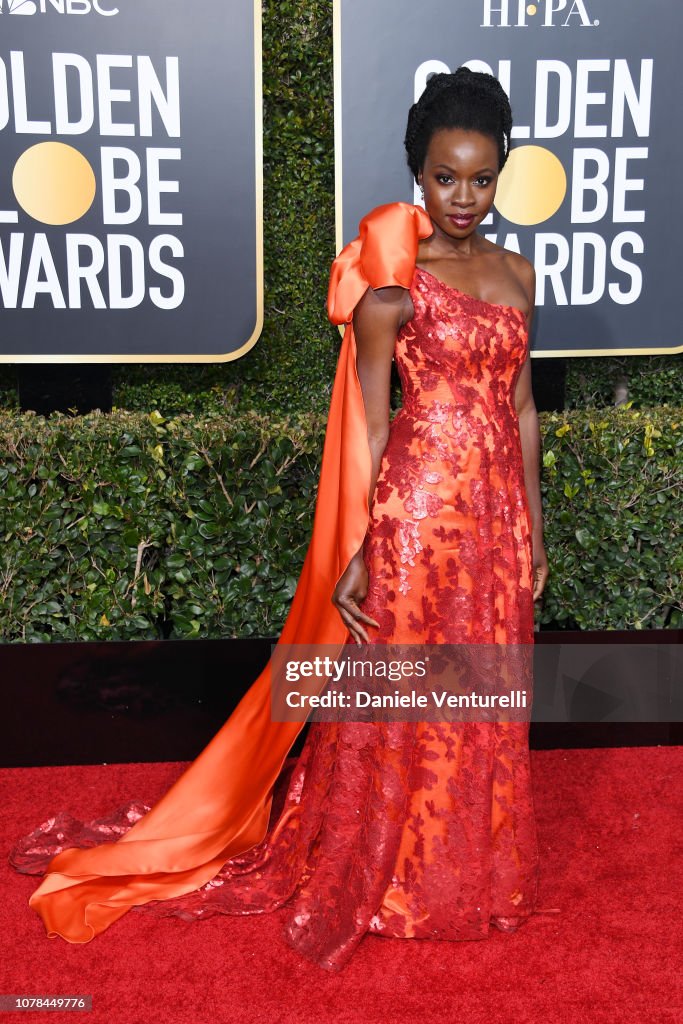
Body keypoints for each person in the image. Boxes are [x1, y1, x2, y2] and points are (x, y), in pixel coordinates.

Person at [11, 67, 550, 972]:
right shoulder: (390, 285)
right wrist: (363, 546)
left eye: (481, 176)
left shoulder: (519, 272)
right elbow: (372, 426)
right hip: (416, 518)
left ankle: (476, 873)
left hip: (495, 524)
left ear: (503, 173)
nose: (463, 196)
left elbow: (523, 405)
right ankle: (397, 873)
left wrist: (535, 526)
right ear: (416, 173)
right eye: (443, 176)